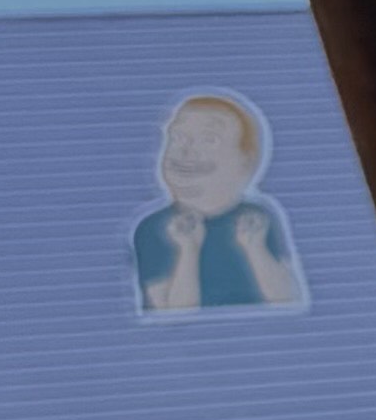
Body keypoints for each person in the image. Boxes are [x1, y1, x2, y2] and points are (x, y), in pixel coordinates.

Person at [131, 89, 306, 316]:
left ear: (247, 161)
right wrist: (188, 250)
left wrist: (256, 248)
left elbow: (287, 300)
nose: (185, 151)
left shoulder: (259, 218)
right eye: (177, 137)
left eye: (208, 139)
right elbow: (171, 316)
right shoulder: (152, 227)